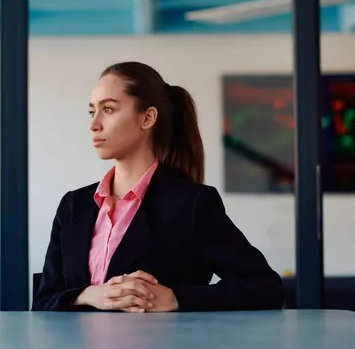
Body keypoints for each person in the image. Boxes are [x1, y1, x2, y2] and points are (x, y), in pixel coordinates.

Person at [31, 61, 285, 313]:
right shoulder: (73, 205)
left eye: (108, 109)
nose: (93, 124)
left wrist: (175, 298)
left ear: (148, 117)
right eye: (91, 111)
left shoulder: (192, 203)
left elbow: (265, 287)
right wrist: (87, 295)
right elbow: (44, 300)